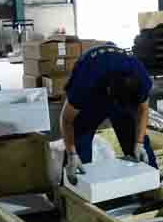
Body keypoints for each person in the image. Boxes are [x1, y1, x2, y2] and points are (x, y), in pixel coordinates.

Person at [60, 43, 157, 184]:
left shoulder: (141, 80)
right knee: (79, 149)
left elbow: (143, 110)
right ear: (109, 90)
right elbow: (66, 120)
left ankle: (153, 186)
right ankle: (72, 191)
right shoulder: (85, 82)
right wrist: (72, 153)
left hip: (119, 91)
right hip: (92, 99)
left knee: (137, 147)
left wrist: (139, 143)